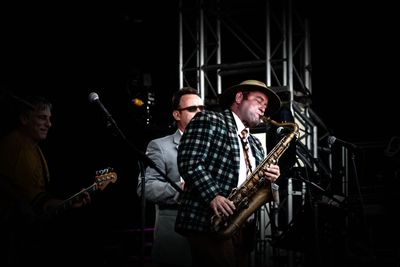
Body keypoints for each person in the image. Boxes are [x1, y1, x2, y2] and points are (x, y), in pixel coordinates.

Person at [175, 80, 282, 267]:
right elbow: (190, 161)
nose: (263, 108)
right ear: (239, 97)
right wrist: (213, 195)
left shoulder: (256, 144)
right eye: (259, 101)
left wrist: (269, 178)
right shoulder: (209, 119)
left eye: (265, 105)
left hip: (241, 227)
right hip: (209, 222)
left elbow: (253, 185)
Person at [0, 95, 91, 266]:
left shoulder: (31, 147)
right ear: (24, 118)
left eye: (49, 119)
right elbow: (28, 198)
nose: (49, 124)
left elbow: (35, 195)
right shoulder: (15, 146)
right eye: (42, 117)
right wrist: (64, 203)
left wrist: (68, 202)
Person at [137, 87, 204, 267]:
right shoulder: (159, 146)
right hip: (175, 241)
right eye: (192, 109)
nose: (199, 113)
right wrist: (180, 188)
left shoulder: (213, 145)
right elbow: (145, 187)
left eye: (201, 109)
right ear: (176, 115)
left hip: (209, 240)